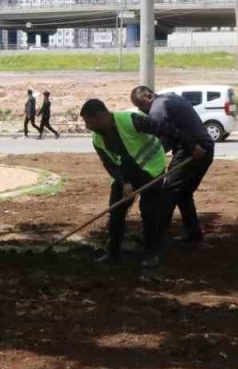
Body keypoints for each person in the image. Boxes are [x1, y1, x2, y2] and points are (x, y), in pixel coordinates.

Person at [79, 98, 166, 270]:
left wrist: (190, 145)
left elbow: (163, 129)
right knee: (116, 210)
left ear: (102, 115)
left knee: (149, 211)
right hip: (126, 172)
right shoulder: (97, 139)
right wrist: (125, 183)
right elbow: (109, 164)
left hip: (151, 168)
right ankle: (113, 253)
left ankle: (151, 254)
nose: (88, 126)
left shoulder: (131, 119)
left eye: (89, 121)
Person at [131, 85, 214, 244]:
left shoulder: (158, 108)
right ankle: (194, 235)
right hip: (205, 148)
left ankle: (152, 236)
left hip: (194, 150)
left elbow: (168, 133)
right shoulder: (170, 98)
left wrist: (192, 147)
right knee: (183, 193)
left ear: (149, 96)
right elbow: (170, 138)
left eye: (141, 106)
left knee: (168, 189)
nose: (142, 111)